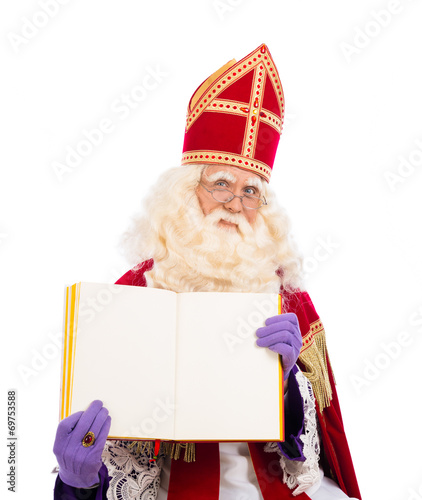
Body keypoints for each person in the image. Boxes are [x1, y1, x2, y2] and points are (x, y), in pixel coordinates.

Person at [52, 43, 362, 500]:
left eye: (250, 191)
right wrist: (77, 482)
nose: (235, 205)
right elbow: (105, 431)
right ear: (184, 192)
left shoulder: (289, 299)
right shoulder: (134, 291)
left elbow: (317, 446)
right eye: (220, 184)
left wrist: (290, 381)